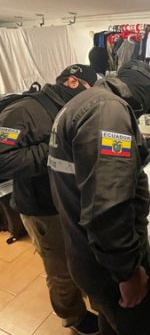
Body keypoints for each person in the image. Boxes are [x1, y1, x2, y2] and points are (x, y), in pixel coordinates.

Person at [48, 61, 150, 335]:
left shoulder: (82, 104)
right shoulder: (108, 110)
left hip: (85, 251)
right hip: (108, 264)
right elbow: (108, 203)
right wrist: (127, 272)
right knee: (142, 326)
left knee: (111, 321)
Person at [0, 64, 99, 335]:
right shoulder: (24, 111)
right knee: (61, 270)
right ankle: (73, 317)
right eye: (89, 90)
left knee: (79, 258)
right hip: (43, 209)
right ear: (72, 82)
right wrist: (54, 149)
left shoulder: (68, 108)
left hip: (69, 201)